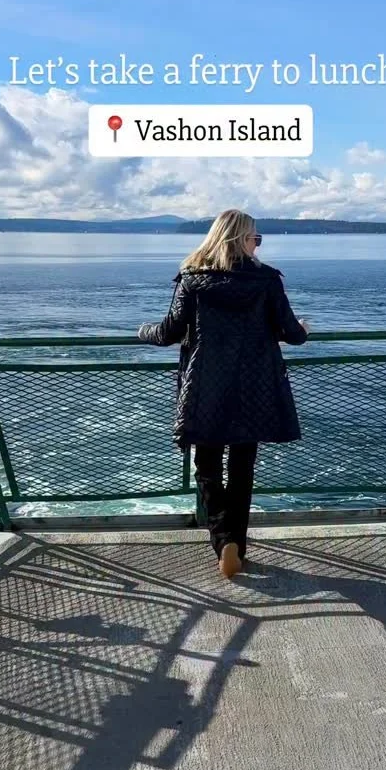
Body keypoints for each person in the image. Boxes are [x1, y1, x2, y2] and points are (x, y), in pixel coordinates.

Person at [137, 209, 309, 578]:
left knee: (207, 467)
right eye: (255, 238)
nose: (257, 245)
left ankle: (223, 540)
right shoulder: (266, 280)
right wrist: (303, 329)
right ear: (241, 240)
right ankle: (237, 547)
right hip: (254, 389)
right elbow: (291, 333)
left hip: (206, 387)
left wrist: (142, 330)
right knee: (242, 468)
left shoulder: (193, 279)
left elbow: (168, 332)